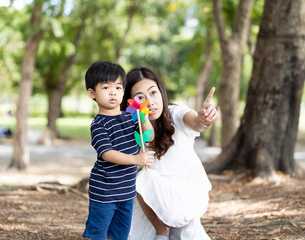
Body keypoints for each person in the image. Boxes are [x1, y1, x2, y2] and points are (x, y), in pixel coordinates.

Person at [120, 67, 219, 240]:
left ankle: (162, 232)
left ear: (161, 92)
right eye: (140, 98)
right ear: (131, 103)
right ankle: (162, 232)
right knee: (138, 181)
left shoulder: (176, 114)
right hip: (156, 204)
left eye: (153, 93)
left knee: (143, 179)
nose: (150, 102)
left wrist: (203, 120)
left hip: (188, 197)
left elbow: (196, 123)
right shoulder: (135, 130)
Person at [83, 61, 155, 240]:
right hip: (105, 191)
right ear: (92, 93)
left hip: (127, 191)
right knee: (98, 233)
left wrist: (143, 118)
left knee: (120, 233)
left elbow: (150, 136)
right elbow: (107, 154)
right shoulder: (99, 124)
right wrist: (136, 159)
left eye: (118, 87)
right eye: (106, 87)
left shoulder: (130, 117)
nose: (113, 92)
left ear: (124, 91)